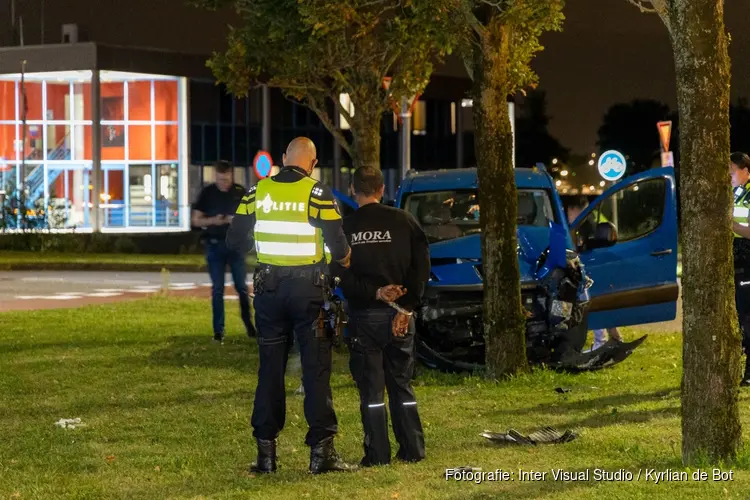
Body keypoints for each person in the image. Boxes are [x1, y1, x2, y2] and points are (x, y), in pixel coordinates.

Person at [226, 137, 356, 474]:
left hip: (269, 291)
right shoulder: (317, 194)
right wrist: (340, 261)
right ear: (312, 163)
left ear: (285, 158)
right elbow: (339, 246)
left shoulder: (257, 192)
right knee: (316, 370)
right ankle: (321, 455)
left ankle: (266, 457)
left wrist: (264, 259)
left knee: (270, 370)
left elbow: (234, 241)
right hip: (311, 293)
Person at [331, 166, 430, 467]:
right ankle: (412, 449)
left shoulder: (345, 229)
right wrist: (408, 307)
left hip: (365, 318)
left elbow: (339, 275)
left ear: (352, 190)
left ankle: (377, 455)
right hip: (400, 317)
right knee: (402, 384)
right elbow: (422, 268)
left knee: (372, 390)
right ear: (382, 190)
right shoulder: (405, 222)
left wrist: (374, 292)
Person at [191, 160, 254, 343]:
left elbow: (250, 217)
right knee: (217, 289)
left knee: (242, 287)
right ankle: (218, 332)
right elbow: (195, 220)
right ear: (215, 176)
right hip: (214, 245)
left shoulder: (240, 192)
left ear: (231, 176)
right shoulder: (208, 193)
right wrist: (213, 221)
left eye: (226, 180)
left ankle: (249, 326)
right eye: (220, 180)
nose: (223, 183)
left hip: (235, 247)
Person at [565, 195, 622, 350]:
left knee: (589, 303)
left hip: (586, 272)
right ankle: (612, 337)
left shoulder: (585, 224)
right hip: (577, 273)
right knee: (586, 303)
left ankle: (601, 341)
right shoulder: (569, 224)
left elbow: (591, 243)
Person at [729, 152, 750, 386]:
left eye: (732, 170)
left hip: (748, 260)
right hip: (738, 261)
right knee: (739, 317)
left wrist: (730, 224)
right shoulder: (736, 193)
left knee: (747, 317)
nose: (730, 175)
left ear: (745, 169)